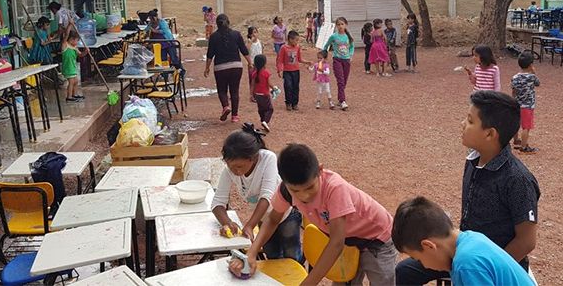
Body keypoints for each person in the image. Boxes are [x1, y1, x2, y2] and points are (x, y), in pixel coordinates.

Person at [396, 91, 540, 285]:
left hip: (488, 261)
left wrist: (486, 268)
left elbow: (527, 241)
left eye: (471, 121)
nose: (463, 124)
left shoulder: (518, 179)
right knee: (405, 271)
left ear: (490, 134)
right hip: (463, 247)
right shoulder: (473, 160)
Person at [230, 143, 397, 285]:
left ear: (320, 170)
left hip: (376, 238)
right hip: (348, 239)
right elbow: (273, 219)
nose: (304, 196)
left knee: (381, 281)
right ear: (284, 182)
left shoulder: (335, 189)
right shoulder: (285, 191)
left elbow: (336, 243)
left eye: (310, 187)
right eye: (296, 191)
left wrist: (308, 283)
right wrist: (252, 253)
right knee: (343, 280)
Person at [392, 196, 535, 286]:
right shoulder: (470, 238)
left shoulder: (466, 265)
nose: (425, 265)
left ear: (429, 246)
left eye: (419, 259)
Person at [213, 125, 302, 261]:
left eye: (239, 167)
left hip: (287, 215)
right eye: (231, 167)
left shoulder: (267, 158)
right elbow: (217, 203)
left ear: (253, 158)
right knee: (272, 255)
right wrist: (227, 223)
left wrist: (249, 225)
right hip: (264, 219)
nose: (235, 171)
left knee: (292, 255)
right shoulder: (229, 170)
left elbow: (266, 196)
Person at [204, 14, 253, 123]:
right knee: (234, 91)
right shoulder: (236, 34)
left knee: (222, 90)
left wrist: (207, 68)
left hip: (220, 68)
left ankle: (226, 106)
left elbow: (210, 55)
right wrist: (250, 63)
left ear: (217, 24)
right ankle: (235, 116)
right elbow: (244, 50)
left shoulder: (213, 37)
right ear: (228, 22)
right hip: (236, 66)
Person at [323, 17, 355, 111]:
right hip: (337, 60)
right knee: (340, 80)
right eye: (338, 24)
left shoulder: (348, 36)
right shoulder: (334, 36)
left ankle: (340, 98)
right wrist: (324, 56)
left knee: (344, 81)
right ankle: (343, 101)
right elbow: (326, 46)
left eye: (342, 24)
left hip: (347, 60)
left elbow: (352, 47)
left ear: (346, 25)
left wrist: (351, 55)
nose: (340, 26)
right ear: (336, 26)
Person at [511, 51, 540, 153]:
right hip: (527, 105)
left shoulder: (514, 78)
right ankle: (524, 147)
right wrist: (534, 72)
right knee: (526, 127)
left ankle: (516, 140)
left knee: (516, 124)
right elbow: (538, 83)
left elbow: (513, 91)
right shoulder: (532, 77)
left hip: (517, 103)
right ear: (531, 65)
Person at [276, 30, 311, 111]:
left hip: (296, 71)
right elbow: (280, 60)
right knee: (288, 86)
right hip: (287, 71)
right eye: (296, 40)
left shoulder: (297, 47)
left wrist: (307, 62)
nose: (297, 42)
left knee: (295, 87)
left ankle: (295, 103)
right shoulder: (283, 48)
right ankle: (288, 103)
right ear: (290, 39)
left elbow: (299, 59)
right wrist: (279, 70)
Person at [61, 29, 87, 102]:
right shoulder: (65, 45)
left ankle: (74, 94)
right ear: (71, 39)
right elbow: (66, 35)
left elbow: (81, 55)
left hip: (73, 67)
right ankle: (69, 97)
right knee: (71, 82)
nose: (77, 42)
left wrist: (86, 52)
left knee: (76, 81)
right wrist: (69, 25)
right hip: (68, 68)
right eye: (76, 40)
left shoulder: (75, 48)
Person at [251, 54, 274, 131]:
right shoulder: (266, 73)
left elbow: (252, 85)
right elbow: (269, 84)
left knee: (261, 109)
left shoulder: (254, 73)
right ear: (264, 63)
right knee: (269, 109)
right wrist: (274, 88)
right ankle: (265, 121)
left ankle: (262, 120)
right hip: (265, 94)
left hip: (257, 95)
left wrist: (251, 95)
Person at [247, 26, 263, 102]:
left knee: (259, 79)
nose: (255, 34)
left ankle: (258, 94)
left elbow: (261, 51)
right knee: (252, 80)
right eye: (253, 32)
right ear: (250, 34)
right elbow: (247, 51)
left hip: (260, 64)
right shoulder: (249, 42)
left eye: (256, 32)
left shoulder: (259, 41)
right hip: (252, 64)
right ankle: (252, 95)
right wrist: (250, 42)